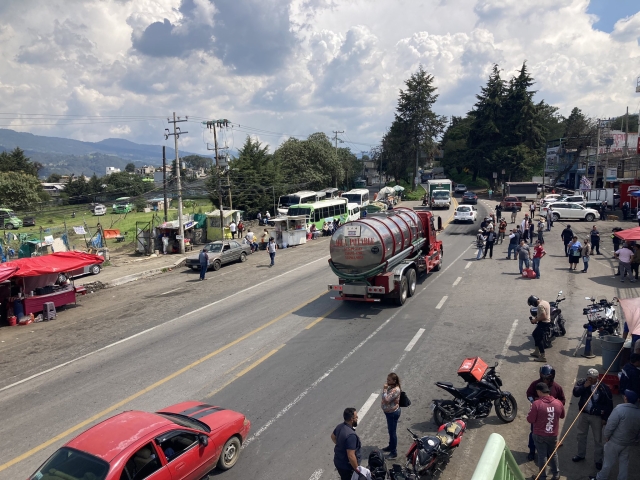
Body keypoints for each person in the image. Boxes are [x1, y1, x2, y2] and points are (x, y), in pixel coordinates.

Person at [589, 390, 640, 480]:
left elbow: (610, 425)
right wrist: (635, 440)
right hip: (627, 443)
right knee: (624, 463)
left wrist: (607, 436)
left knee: (607, 463)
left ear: (626, 398)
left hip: (615, 442)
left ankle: (600, 478)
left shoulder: (619, 409)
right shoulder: (638, 413)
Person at [572, 368, 614, 470]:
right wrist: (584, 386)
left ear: (597, 378)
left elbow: (609, 405)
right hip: (584, 414)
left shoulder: (603, 388)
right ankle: (580, 454)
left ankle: (598, 460)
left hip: (597, 417)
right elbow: (576, 393)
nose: (590, 380)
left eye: (592, 378)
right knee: (581, 435)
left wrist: (605, 418)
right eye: (588, 377)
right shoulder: (583, 382)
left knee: (598, 439)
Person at [526, 364, 567, 461]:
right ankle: (532, 451)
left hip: (550, 416)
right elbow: (529, 394)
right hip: (537, 416)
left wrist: (555, 405)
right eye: (543, 378)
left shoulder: (557, 387)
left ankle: (549, 453)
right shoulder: (535, 384)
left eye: (547, 378)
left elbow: (563, 400)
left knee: (550, 436)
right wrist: (533, 401)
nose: (545, 380)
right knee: (534, 434)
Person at [526, 382, 565, 480]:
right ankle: (556, 475)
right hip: (553, 434)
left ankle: (542, 476)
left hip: (539, 434)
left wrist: (531, 410)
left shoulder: (536, 404)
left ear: (539, 392)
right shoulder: (558, 403)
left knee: (542, 455)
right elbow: (562, 415)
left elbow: (530, 420)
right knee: (553, 454)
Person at [331, 408, 362, 480]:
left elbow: (333, 436)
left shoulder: (340, 426)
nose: (357, 418)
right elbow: (351, 456)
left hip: (338, 462)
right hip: (347, 467)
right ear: (351, 419)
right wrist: (357, 470)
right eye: (356, 417)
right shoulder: (351, 435)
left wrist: (341, 446)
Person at [381, 373, 401, 459]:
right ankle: (391, 446)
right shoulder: (391, 387)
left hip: (392, 413)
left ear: (394, 381)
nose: (387, 381)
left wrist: (385, 389)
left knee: (392, 432)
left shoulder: (396, 390)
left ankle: (393, 452)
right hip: (389, 412)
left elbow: (386, 399)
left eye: (389, 380)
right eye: (387, 379)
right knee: (390, 431)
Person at [528, 295, 551, 362]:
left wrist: (535, 320)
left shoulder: (540, 306)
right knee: (534, 334)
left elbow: (544, 316)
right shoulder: (545, 302)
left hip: (544, 323)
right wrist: (537, 318)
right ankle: (536, 351)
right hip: (545, 322)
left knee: (539, 339)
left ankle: (542, 356)